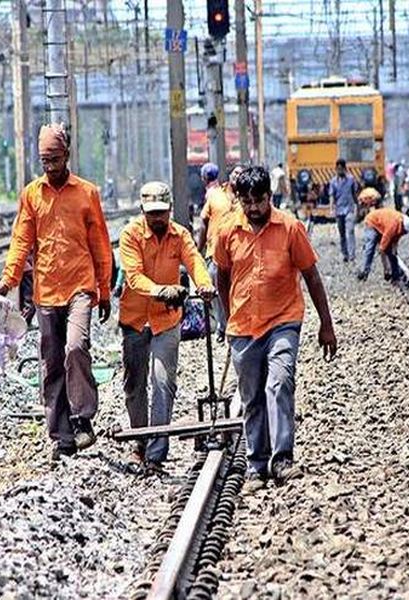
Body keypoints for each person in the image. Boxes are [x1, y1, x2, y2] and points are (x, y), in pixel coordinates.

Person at [0, 123, 113, 461]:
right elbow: (21, 242)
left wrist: (104, 290)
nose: (50, 166)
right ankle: (62, 436)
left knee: (76, 347)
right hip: (46, 290)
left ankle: (83, 417)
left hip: (80, 287)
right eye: (44, 160)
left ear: (67, 155)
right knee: (52, 363)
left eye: (55, 159)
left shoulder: (87, 193)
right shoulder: (32, 195)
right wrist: (8, 280)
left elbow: (101, 245)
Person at [214, 166, 337, 489]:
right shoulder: (227, 231)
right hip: (243, 325)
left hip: (283, 320)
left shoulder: (290, 228)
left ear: (270, 196)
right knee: (252, 396)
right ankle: (257, 463)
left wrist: (326, 325)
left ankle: (282, 459)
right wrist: (228, 319)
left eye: (260, 200)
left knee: (279, 383)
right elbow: (222, 276)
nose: (254, 207)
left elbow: (311, 275)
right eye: (247, 201)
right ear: (239, 199)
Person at [118, 181, 215, 470]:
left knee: (163, 382)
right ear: (142, 211)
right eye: (152, 214)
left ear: (170, 210)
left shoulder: (179, 235)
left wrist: (205, 284)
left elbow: (195, 261)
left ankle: (156, 452)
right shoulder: (130, 235)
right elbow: (133, 277)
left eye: (162, 212)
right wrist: (162, 290)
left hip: (166, 321)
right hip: (135, 319)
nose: (157, 218)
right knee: (134, 386)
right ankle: (140, 439)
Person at [197, 164, 243, 341]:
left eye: (241, 174)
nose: (237, 176)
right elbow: (203, 223)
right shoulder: (215, 195)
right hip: (215, 252)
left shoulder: (247, 199)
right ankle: (223, 326)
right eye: (235, 172)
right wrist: (199, 249)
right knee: (216, 288)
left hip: (239, 253)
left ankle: (237, 324)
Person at [356, 207, 409, 282]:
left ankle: (395, 274)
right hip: (372, 222)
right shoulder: (393, 225)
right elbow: (384, 243)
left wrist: (394, 248)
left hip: (382, 224)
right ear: (402, 226)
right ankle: (364, 272)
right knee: (370, 248)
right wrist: (385, 263)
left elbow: (396, 238)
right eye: (404, 231)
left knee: (391, 252)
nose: (404, 233)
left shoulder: (400, 225)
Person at [328, 158, 359, 262]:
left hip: (349, 209)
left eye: (341, 169)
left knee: (350, 230)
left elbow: (354, 194)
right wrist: (331, 208)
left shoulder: (351, 180)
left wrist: (357, 206)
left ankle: (352, 254)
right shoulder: (333, 182)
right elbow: (332, 196)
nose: (340, 171)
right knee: (342, 233)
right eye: (338, 169)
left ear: (345, 169)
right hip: (339, 210)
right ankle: (345, 254)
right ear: (336, 169)